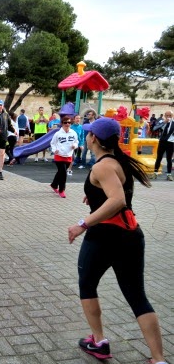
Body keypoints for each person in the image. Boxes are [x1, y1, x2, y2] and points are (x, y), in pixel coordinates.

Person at [67, 117, 167, 364]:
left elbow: (117, 200)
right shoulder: (118, 162)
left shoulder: (102, 166)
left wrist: (82, 224)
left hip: (103, 238)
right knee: (137, 296)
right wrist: (94, 197)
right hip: (131, 236)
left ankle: (99, 342)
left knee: (87, 286)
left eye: (89, 133)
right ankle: (159, 359)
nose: (87, 136)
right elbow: (113, 194)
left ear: (94, 139)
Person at [50, 116, 78, 198]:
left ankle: (54, 185)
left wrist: (75, 146)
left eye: (69, 122)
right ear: (62, 123)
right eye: (65, 122)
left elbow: (76, 141)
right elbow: (53, 143)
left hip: (68, 155)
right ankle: (62, 190)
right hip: (59, 156)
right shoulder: (58, 134)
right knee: (63, 173)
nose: (67, 124)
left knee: (60, 172)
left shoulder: (73, 133)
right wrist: (54, 150)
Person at [152, 110, 173, 181]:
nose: (168, 117)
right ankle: (155, 173)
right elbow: (154, 128)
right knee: (159, 158)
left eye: (170, 115)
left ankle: (169, 174)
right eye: (167, 115)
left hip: (170, 142)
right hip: (162, 142)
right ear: (164, 116)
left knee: (169, 159)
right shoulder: (162, 122)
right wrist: (164, 122)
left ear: (172, 116)